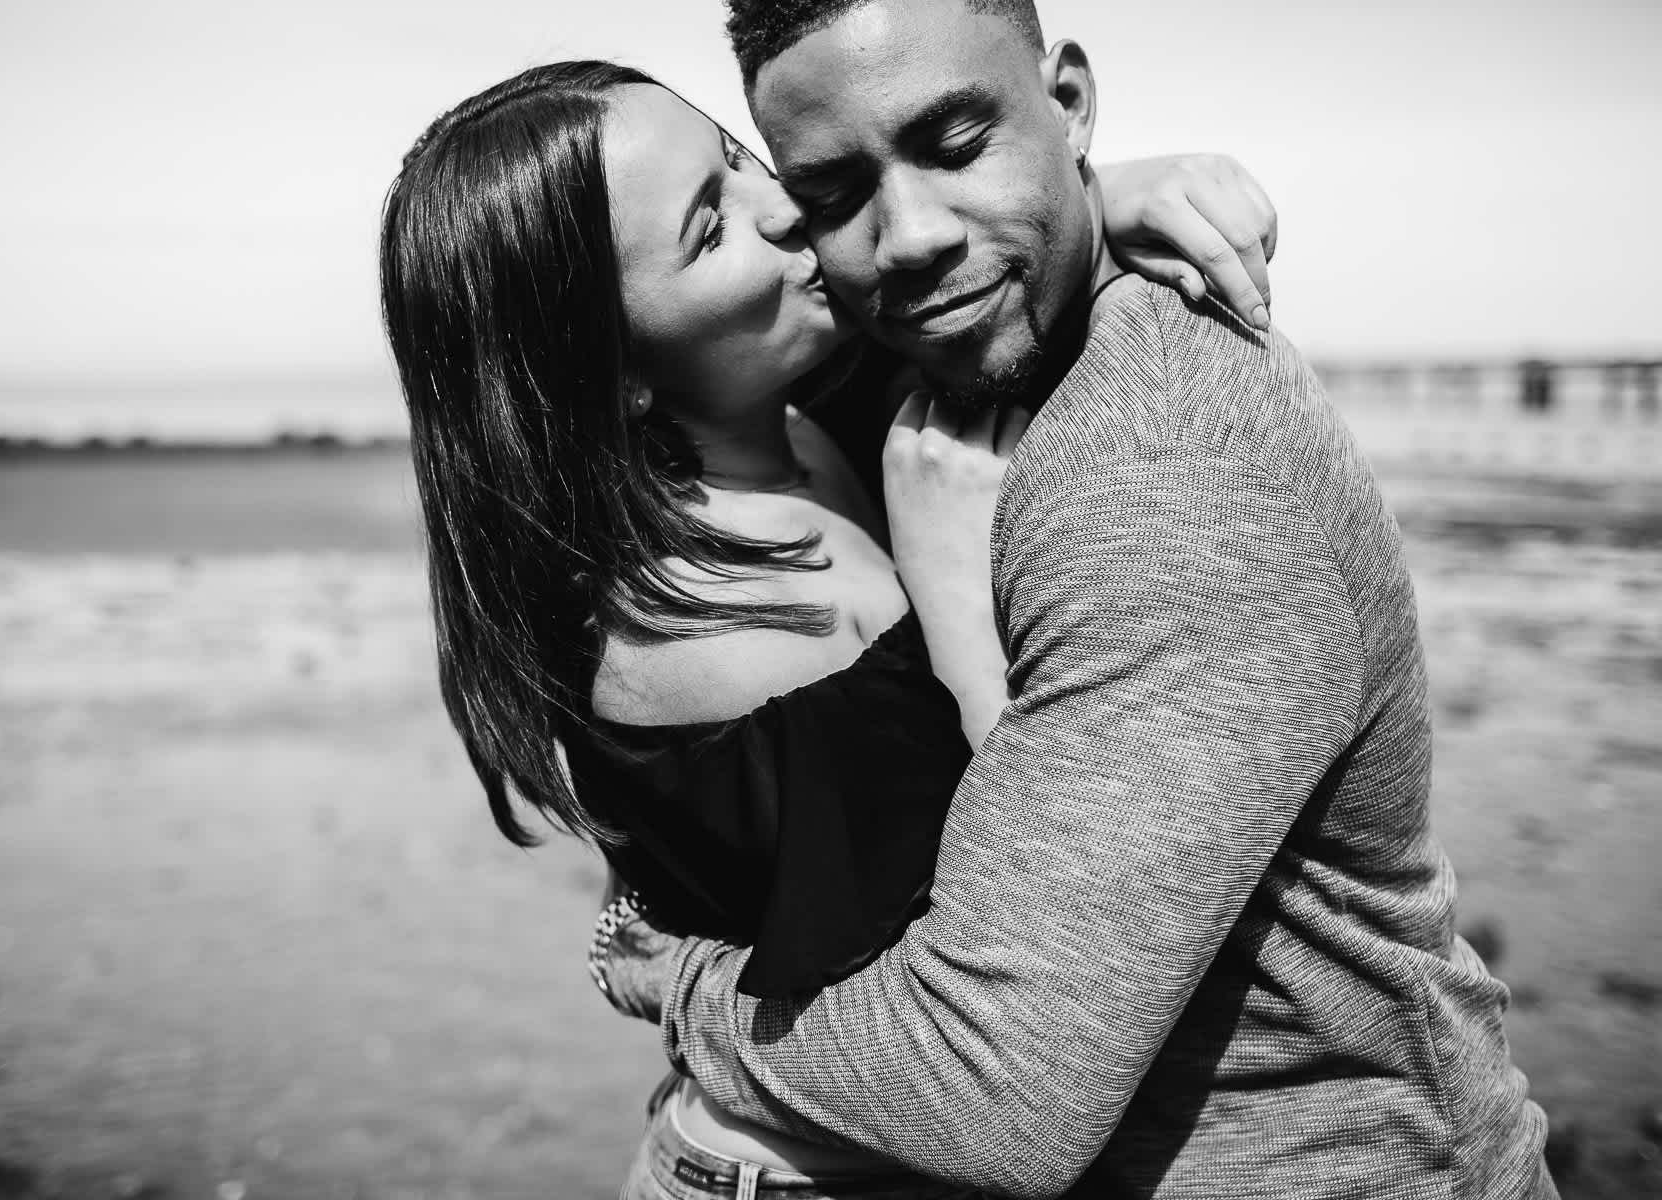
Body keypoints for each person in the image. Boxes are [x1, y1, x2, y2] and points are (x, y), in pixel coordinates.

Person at [596, 2, 1559, 1198]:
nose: (909, 238)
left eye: (955, 142)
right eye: (837, 194)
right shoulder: (927, 372)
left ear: (1072, 102)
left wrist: (686, 987)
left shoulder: (1165, 468)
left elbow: (992, 1096)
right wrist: (1082, 196)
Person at [379, 56, 1282, 1200]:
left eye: (738, 158)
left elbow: (948, 268)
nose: (784, 207)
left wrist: (1101, 198)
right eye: (712, 230)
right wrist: (957, 607)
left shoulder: (796, 411)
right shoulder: (721, 647)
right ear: (610, 378)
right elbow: (1029, 941)